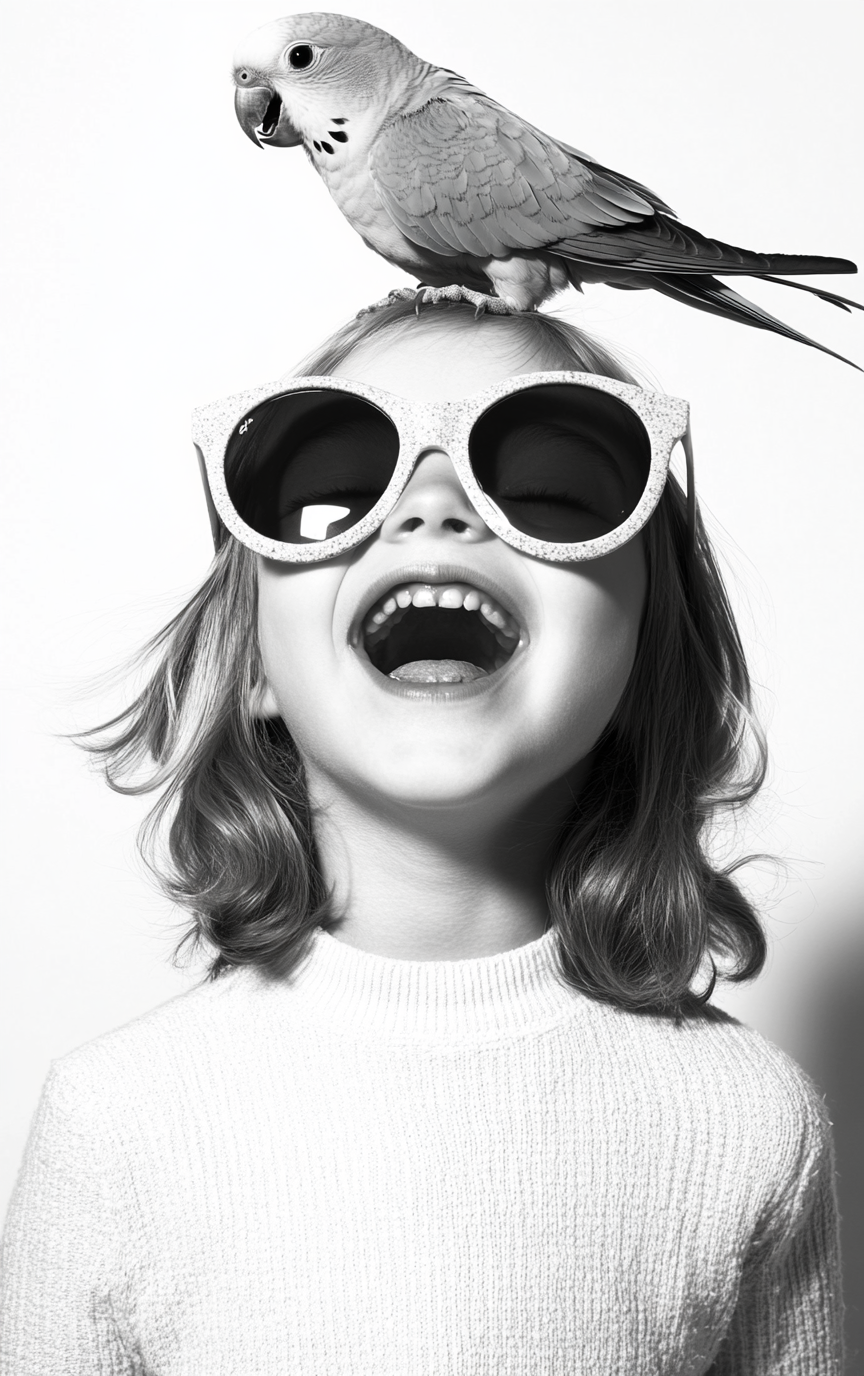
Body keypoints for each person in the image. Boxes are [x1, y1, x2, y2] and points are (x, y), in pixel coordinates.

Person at [0, 294, 843, 1372]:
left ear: (642, 662)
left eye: (550, 489)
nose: (437, 508)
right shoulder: (116, 1121)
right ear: (253, 662)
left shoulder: (751, 1122)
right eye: (336, 486)